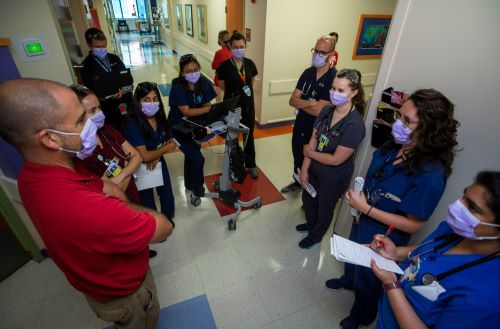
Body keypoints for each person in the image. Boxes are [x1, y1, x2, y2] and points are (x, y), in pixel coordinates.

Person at [0, 78, 173, 329]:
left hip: (99, 284)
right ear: (50, 138)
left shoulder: (33, 176)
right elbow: (163, 226)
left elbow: (109, 186)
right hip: (126, 293)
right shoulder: (86, 207)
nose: (93, 123)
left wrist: (113, 189)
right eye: (81, 119)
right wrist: (116, 194)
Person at [328, 89, 460, 329]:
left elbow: (414, 223)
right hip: (362, 217)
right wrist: (361, 201)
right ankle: (348, 279)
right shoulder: (394, 146)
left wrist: (366, 209)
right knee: (352, 259)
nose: (398, 124)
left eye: (407, 121)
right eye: (400, 116)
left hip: (383, 234)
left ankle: (361, 315)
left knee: (368, 279)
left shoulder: (431, 175)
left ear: (431, 129)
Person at [370, 170, 500, 329]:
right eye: (463, 196)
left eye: (471, 207)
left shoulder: (487, 296)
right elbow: (428, 251)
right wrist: (396, 253)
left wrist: (391, 284)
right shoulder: (453, 231)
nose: (458, 206)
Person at [69, 84, 160, 258]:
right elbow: (103, 194)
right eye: (92, 110)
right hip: (113, 208)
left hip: (130, 191)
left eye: (99, 108)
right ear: (77, 116)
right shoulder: (79, 152)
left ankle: (143, 250)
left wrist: (121, 175)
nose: (99, 114)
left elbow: (137, 157)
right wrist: (126, 166)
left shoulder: (108, 131)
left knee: (139, 228)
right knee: (126, 240)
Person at [297, 69, 366, 249]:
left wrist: (310, 154)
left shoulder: (355, 124)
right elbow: (313, 139)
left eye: (341, 91)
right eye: (333, 88)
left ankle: (316, 234)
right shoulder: (326, 110)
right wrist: (304, 169)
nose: (335, 93)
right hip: (314, 168)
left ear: (354, 93)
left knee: (324, 208)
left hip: (333, 176)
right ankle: (311, 224)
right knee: (308, 200)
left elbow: (336, 159)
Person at [281, 36, 337, 193]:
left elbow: (320, 110)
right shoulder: (308, 73)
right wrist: (311, 103)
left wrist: (303, 102)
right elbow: (292, 100)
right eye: (315, 51)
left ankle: (309, 191)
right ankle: (297, 181)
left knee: (311, 161)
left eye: (322, 52)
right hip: (301, 123)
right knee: (297, 153)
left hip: (317, 129)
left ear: (331, 54)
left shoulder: (333, 78)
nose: (317, 55)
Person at [124, 82, 176, 225]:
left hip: (157, 161)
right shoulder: (133, 125)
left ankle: (167, 220)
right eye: (146, 100)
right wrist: (163, 150)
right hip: (139, 167)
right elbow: (144, 156)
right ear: (138, 102)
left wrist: (157, 155)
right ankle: (153, 225)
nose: (152, 103)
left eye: (155, 99)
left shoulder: (159, 118)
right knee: (146, 198)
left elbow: (167, 139)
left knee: (166, 193)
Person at [168, 54, 216, 197]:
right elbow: (186, 111)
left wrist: (213, 113)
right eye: (188, 71)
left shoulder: (203, 82)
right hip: (179, 128)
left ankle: (189, 184)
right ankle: (197, 187)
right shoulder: (177, 87)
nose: (193, 73)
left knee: (191, 155)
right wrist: (209, 110)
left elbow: (208, 103)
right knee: (197, 158)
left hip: (195, 126)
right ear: (182, 73)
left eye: (195, 69)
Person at [217, 31, 259, 178]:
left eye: (242, 46)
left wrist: (242, 89)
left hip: (248, 106)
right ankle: (234, 164)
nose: (239, 49)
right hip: (232, 106)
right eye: (236, 47)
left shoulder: (250, 64)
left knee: (249, 136)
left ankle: (251, 164)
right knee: (232, 136)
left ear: (245, 46)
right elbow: (222, 85)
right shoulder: (224, 66)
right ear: (230, 47)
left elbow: (251, 80)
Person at [81, 28, 133, 131]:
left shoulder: (114, 59)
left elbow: (127, 79)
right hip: (106, 107)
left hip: (123, 101)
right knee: (113, 130)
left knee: (128, 126)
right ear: (89, 45)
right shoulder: (86, 65)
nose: (102, 49)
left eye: (104, 46)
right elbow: (88, 92)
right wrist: (103, 98)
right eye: (98, 47)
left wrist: (124, 90)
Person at [211, 30, 232, 102]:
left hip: (220, 83)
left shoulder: (219, 53)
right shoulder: (233, 50)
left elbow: (213, 66)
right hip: (230, 83)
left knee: (220, 104)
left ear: (220, 39)